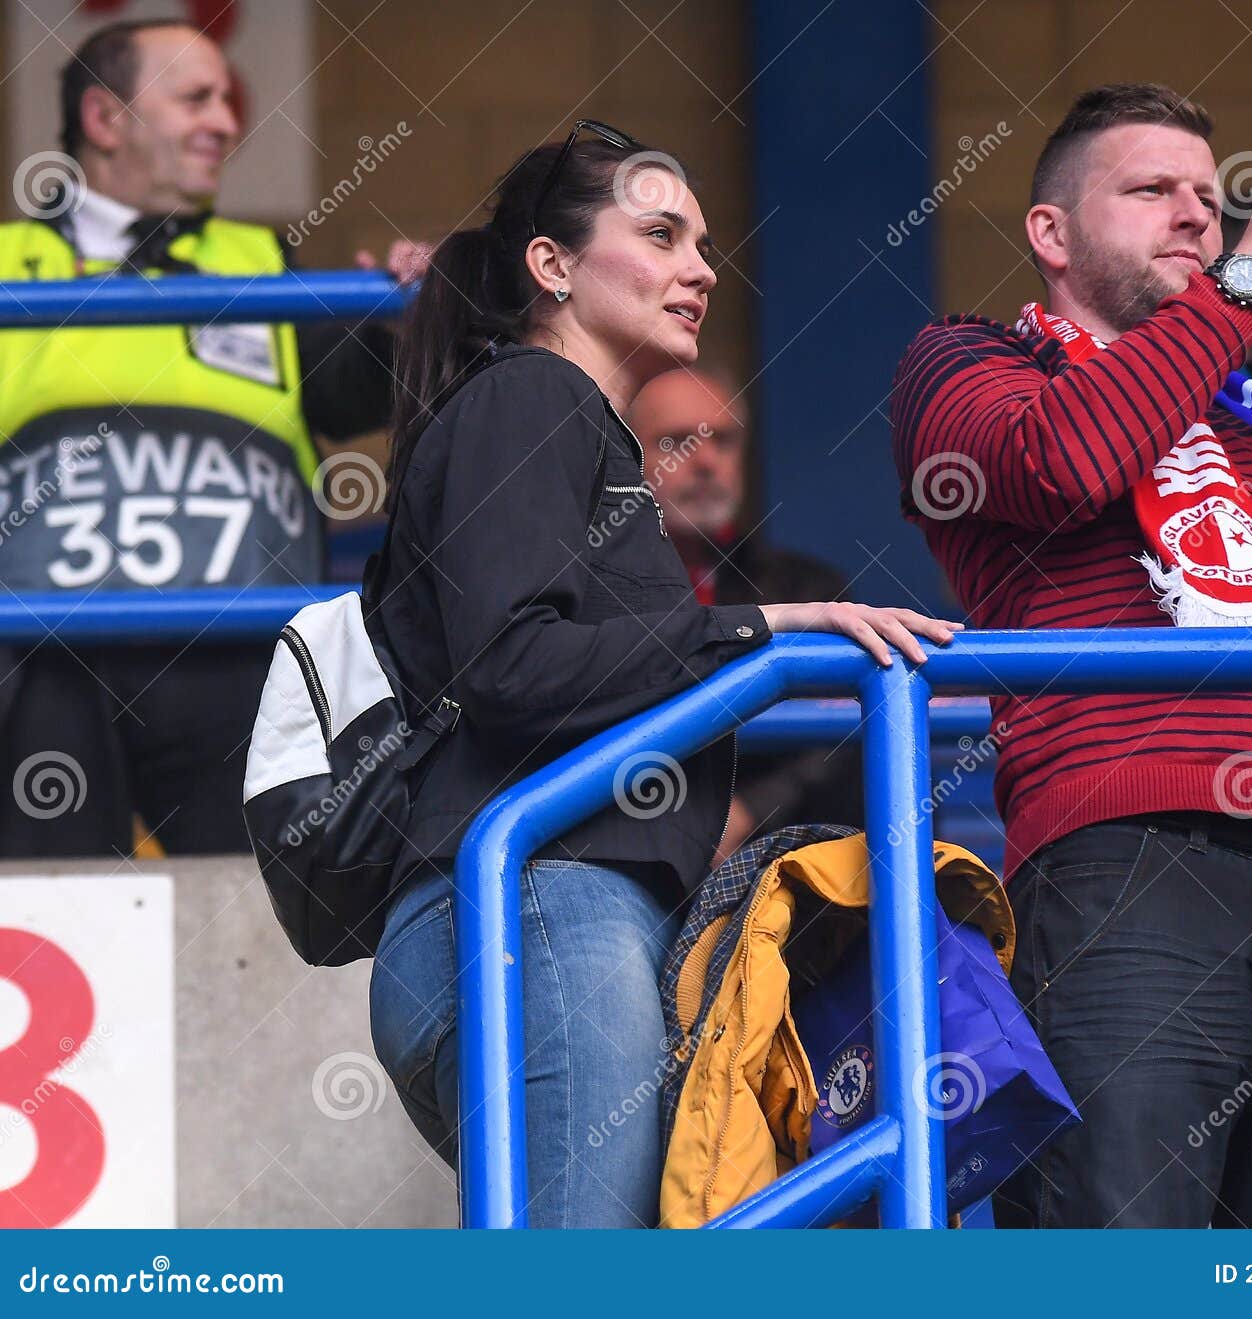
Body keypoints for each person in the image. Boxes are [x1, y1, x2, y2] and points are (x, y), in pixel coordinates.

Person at [891, 83, 1252, 1227]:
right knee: (1125, 1262)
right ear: (1049, 234)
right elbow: (1062, 462)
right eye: (1151, 191)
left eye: (1213, 201)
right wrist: (1247, 284)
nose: (1197, 220)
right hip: (1130, 866)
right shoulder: (967, 362)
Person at [366, 122, 961, 1228]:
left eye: (702, 241)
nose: (700, 267)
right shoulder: (530, 396)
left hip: (552, 914)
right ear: (551, 265)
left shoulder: (555, 415)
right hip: (536, 906)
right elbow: (511, 662)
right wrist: (763, 626)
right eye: (659, 235)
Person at [0, 19, 424, 857]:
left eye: (227, 102)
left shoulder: (266, 259)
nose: (228, 124)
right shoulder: (8, 263)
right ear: (105, 117)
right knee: (46, 917)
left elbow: (376, 391)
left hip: (241, 663)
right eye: (196, 98)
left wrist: (422, 309)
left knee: (270, 919)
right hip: (45, 660)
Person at [627, 366, 865, 861]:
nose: (707, 462)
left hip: (785, 867)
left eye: (724, 441)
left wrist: (751, 810)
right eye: (676, 443)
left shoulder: (809, 590)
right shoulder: (595, 590)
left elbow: (849, 730)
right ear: (627, 457)